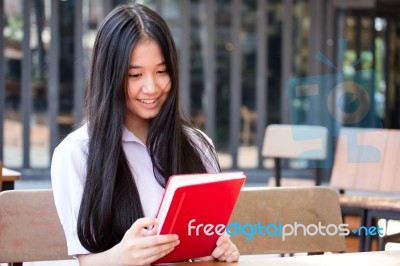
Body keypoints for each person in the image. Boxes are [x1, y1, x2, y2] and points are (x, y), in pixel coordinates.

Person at [51, 3, 240, 266]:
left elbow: (207, 240)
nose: (151, 88)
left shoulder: (197, 145)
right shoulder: (76, 153)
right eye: (135, 75)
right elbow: (87, 261)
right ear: (110, 77)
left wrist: (219, 249)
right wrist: (123, 256)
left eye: (161, 72)